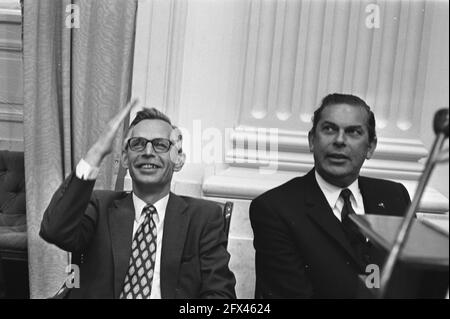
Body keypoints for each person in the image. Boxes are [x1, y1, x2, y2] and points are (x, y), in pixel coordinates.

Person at [40, 101, 236, 299]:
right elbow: (54, 230)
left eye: (160, 145)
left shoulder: (204, 218)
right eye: (138, 144)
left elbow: (220, 293)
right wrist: (96, 153)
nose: (148, 152)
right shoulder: (99, 206)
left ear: (178, 160)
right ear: (125, 159)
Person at [250, 93, 411, 298]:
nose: (339, 140)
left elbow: (410, 283)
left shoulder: (395, 197)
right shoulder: (275, 208)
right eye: (329, 129)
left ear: (370, 147)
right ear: (311, 140)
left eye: (353, 132)